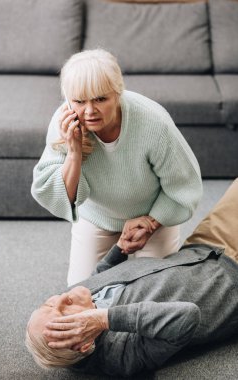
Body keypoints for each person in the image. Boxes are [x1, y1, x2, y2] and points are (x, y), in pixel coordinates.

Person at [26, 179, 238, 377]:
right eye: (63, 314)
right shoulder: (121, 356)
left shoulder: (80, 299)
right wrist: (103, 319)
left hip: (204, 246)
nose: (60, 298)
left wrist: (119, 249)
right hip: (232, 281)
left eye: (48, 304)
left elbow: (101, 277)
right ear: (84, 342)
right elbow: (187, 316)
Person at [31, 49, 203, 286]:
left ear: (118, 93)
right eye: (79, 101)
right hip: (97, 216)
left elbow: (184, 185)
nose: (89, 111)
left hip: (153, 215)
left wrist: (151, 223)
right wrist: (74, 151)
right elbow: (58, 196)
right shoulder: (64, 123)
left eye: (100, 99)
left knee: (154, 293)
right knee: (82, 293)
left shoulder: (153, 122)